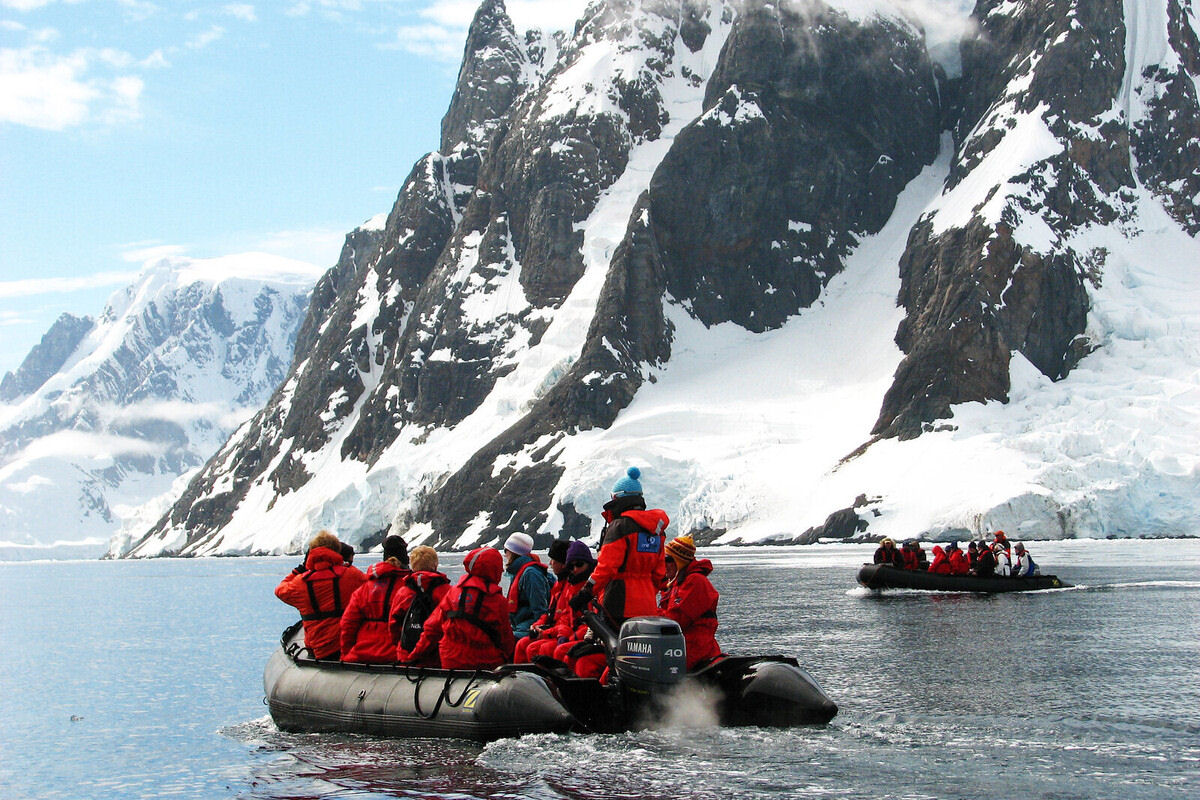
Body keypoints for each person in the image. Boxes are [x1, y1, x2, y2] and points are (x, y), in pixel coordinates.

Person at [571, 467, 668, 627]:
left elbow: (606, 568)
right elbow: (659, 573)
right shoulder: (656, 531)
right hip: (647, 604)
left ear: (618, 498)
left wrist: (585, 594)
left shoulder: (619, 527)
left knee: (616, 648)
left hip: (619, 604)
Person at [398, 547, 515, 670]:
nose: (501, 571)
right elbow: (506, 641)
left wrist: (413, 657)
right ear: (493, 570)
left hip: (451, 661)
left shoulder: (453, 593)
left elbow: (432, 629)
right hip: (485, 662)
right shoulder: (498, 601)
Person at [275, 530, 367, 660]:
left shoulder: (301, 582)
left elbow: (280, 590)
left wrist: (300, 569)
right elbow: (370, 586)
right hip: (347, 645)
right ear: (336, 550)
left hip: (318, 649)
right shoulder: (352, 575)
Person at [522, 540, 596, 663]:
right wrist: (539, 625)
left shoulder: (588, 588)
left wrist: (552, 633)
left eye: (579, 564)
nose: (575, 569)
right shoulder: (564, 586)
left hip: (578, 634)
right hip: (563, 632)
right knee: (526, 644)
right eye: (571, 566)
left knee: (548, 649)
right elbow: (559, 615)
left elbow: (589, 621)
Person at [340, 535, 410, 663]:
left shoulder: (365, 588)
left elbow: (348, 623)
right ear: (405, 559)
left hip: (362, 652)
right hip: (397, 655)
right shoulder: (410, 588)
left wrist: (346, 654)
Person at [658, 535, 721, 671]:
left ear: (679, 561)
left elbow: (676, 622)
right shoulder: (677, 583)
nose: (663, 564)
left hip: (694, 648)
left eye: (668, 560)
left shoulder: (695, 582)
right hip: (682, 646)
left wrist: (649, 612)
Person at [389, 545, 451, 665]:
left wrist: (401, 645)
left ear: (413, 565)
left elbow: (393, 624)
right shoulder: (447, 591)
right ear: (435, 564)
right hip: (436, 656)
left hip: (407, 654)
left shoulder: (403, 592)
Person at [514, 539, 571, 662]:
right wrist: (537, 625)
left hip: (562, 634)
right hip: (552, 630)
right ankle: (519, 679)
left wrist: (546, 632)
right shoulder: (558, 586)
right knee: (522, 644)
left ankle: (543, 680)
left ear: (563, 564)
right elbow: (549, 613)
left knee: (535, 648)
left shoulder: (571, 588)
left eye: (553, 560)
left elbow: (566, 620)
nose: (550, 564)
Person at [504, 532, 553, 641]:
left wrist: (536, 631)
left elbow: (540, 610)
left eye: (505, 550)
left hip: (527, 626)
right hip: (519, 624)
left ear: (513, 552)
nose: (504, 555)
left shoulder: (531, 574)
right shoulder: (519, 571)